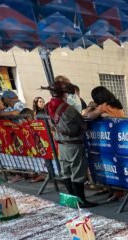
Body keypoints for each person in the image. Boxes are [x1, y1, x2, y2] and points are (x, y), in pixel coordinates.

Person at [44, 80, 96, 208]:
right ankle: (81, 200)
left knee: (66, 172)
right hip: (73, 144)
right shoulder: (68, 109)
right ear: (64, 93)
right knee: (77, 172)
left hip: (61, 145)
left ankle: (72, 198)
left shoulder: (48, 107)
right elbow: (82, 124)